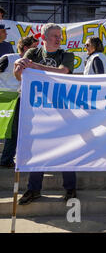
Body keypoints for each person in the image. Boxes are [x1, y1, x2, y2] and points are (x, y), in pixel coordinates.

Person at [14, 23, 77, 204]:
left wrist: (32, 66)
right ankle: (33, 189)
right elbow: (19, 75)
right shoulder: (32, 53)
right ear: (44, 38)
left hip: (60, 108)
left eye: (60, 36)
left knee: (66, 148)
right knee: (38, 149)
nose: (59, 39)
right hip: (37, 109)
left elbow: (63, 71)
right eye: (54, 36)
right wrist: (19, 68)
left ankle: (70, 189)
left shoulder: (66, 55)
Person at [0, 36, 39, 168]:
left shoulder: (33, 64)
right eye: (35, 47)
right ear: (26, 48)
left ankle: (6, 159)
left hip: (19, 99)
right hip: (3, 99)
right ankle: (6, 159)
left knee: (14, 130)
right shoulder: (8, 58)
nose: (37, 51)